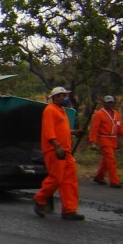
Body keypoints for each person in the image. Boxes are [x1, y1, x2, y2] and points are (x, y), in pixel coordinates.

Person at [33, 86, 85, 221]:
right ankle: (39, 199)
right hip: (55, 150)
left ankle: (69, 210)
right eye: (62, 95)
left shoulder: (62, 111)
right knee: (56, 178)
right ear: (54, 97)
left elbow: (62, 130)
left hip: (66, 151)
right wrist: (57, 147)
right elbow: (49, 132)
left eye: (65, 95)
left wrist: (74, 132)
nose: (64, 97)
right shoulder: (49, 110)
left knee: (70, 181)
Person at [89, 95, 123, 188]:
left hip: (113, 140)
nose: (110, 104)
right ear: (104, 103)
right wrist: (92, 141)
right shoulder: (99, 114)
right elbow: (94, 129)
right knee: (111, 160)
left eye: (111, 102)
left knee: (106, 160)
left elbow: (119, 127)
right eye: (108, 102)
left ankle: (99, 177)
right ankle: (114, 181)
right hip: (104, 139)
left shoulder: (116, 114)